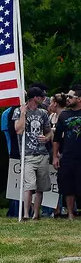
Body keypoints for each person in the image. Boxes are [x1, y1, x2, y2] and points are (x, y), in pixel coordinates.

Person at [14, 87, 53, 220]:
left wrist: (47, 138)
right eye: (41, 97)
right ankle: (25, 213)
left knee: (40, 187)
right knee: (29, 185)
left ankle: (36, 214)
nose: (44, 99)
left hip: (42, 153)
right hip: (27, 154)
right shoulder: (18, 111)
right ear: (35, 98)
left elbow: (49, 131)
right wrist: (23, 114)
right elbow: (18, 130)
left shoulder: (43, 113)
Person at [52, 86, 81, 220]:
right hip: (68, 155)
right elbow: (57, 138)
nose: (67, 99)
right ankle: (70, 213)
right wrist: (55, 156)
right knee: (68, 186)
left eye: (70, 97)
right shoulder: (64, 115)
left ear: (79, 99)